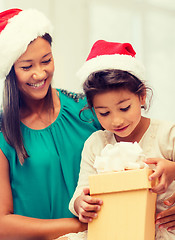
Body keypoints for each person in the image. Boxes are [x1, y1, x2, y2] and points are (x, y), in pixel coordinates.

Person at [0, 8, 101, 239]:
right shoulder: (2, 131)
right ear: (9, 72)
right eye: (27, 67)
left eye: (46, 60)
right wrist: (78, 226)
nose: (40, 73)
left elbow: (137, 156)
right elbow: (2, 225)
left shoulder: (85, 109)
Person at [67, 40, 175, 240]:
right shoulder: (96, 144)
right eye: (104, 113)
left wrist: (172, 169)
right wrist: (80, 204)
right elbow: (80, 193)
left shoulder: (167, 134)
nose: (116, 120)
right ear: (92, 110)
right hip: (114, 232)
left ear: (142, 96)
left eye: (124, 108)